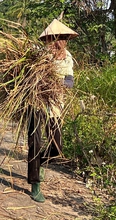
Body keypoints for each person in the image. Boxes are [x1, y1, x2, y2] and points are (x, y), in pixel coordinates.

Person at [28, 18, 77, 203]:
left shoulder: (68, 57)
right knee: (35, 143)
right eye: (54, 38)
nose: (58, 42)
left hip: (56, 105)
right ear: (48, 39)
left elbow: (70, 81)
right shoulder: (39, 56)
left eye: (61, 38)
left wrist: (59, 84)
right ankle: (35, 184)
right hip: (37, 103)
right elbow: (30, 78)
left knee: (56, 147)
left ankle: (39, 163)